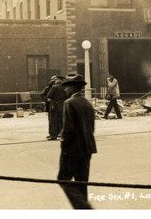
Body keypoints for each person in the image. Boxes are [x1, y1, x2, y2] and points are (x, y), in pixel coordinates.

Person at [58, 74, 97, 209]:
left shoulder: (69, 103)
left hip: (72, 149)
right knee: (82, 182)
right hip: (88, 148)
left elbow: (68, 129)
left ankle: (83, 207)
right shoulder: (88, 104)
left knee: (62, 179)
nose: (65, 90)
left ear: (73, 88)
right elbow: (91, 128)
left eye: (67, 87)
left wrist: (64, 146)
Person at [46, 75, 67, 140]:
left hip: (55, 106)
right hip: (63, 105)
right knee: (62, 120)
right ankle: (63, 134)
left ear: (58, 80)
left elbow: (49, 95)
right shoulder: (65, 87)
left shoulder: (54, 87)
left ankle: (53, 136)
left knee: (54, 121)